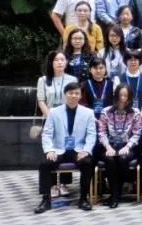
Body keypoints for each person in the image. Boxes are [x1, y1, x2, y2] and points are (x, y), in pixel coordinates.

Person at [35, 81, 96, 213]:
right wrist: (49, 150)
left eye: (76, 93)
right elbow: (47, 134)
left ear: (80, 96)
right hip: (58, 149)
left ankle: (83, 199)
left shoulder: (88, 113)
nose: (73, 96)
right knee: (45, 164)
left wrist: (86, 150)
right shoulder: (53, 112)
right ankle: (46, 200)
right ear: (64, 95)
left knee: (87, 163)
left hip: (78, 149)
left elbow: (91, 135)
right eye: (70, 93)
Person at [96, 83, 141, 208]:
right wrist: (108, 147)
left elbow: (137, 133)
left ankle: (115, 195)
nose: (123, 98)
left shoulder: (135, 112)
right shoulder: (106, 111)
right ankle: (115, 194)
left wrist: (127, 147)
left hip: (128, 145)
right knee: (110, 159)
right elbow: (101, 132)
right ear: (116, 96)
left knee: (122, 159)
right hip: (109, 145)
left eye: (126, 96)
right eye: (120, 95)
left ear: (130, 97)